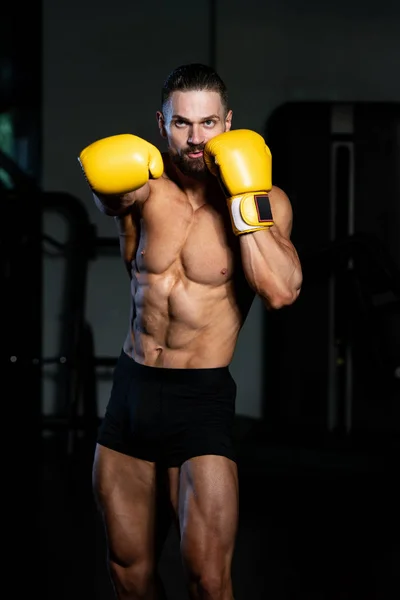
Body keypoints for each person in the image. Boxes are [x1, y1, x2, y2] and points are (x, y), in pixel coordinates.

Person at [78, 63, 303, 600]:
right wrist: (106, 191)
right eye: (182, 124)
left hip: (199, 399)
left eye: (208, 123)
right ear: (162, 124)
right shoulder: (145, 190)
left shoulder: (264, 199)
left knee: (207, 580)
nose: (196, 138)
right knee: (127, 573)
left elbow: (281, 290)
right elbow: (112, 202)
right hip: (132, 393)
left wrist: (243, 201)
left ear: (229, 123)